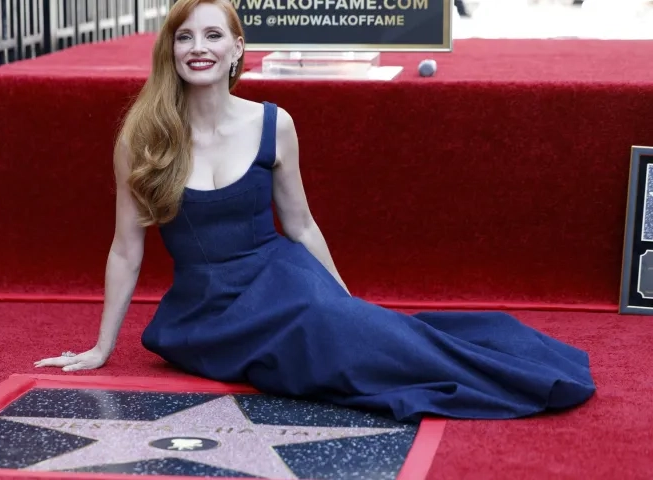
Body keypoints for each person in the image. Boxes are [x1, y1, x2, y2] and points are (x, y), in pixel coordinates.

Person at [35, 0, 596, 423]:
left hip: (285, 283)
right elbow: (126, 249)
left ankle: (508, 372)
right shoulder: (142, 138)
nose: (198, 47)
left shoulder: (274, 123)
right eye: (185, 36)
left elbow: (301, 225)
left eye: (213, 34)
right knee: (335, 362)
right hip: (205, 318)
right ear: (171, 50)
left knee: (357, 336)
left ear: (237, 49)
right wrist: (101, 347)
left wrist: (346, 302)